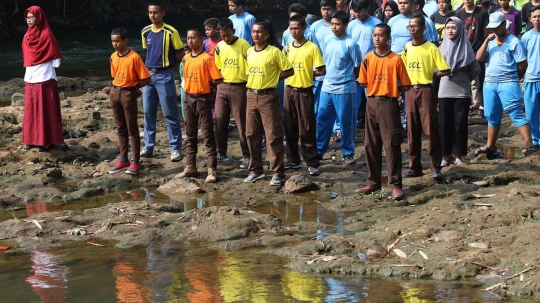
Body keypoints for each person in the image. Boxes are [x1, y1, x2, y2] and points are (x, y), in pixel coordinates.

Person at [471, 12, 538, 158]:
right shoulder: (491, 41)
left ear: (503, 25)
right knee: (492, 115)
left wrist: (514, 78)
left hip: (508, 82)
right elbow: (479, 57)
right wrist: (486, 41)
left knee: (515, 112)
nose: (493, 30)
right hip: (490, 83)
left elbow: (522, 65)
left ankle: (529, 145)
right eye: (491, 28)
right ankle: (491, 146)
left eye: (496, 27)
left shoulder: (514, 41)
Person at [357, 23, 411, 200]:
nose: (377, 38)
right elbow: (363, 82)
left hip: (388, 103)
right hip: (371, 102)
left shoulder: (395, 59)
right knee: (370, 144)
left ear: (388, 38)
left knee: (392, 144)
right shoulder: (368, 58)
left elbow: (405, 84)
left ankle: (395, 184)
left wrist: (390, 89)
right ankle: (373, 182)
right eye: (374, 35)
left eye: (380, 35)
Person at [244, 20, 294, 185]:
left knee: (272, 135)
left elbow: (289, 70)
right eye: (253, 32)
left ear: (266, 34)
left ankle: (277, 173)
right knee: (251, 134)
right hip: (251, 95)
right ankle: (256, 170)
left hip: (267, 97)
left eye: (259, 32)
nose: (256, 34)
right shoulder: (249, 52)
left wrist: (273, 79)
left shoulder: (274, 52)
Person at [401, 14, 450, 179]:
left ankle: (435, 167)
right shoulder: (406, 48)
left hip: (426, 90)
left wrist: (430, 75)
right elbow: (402, 70)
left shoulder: (431, 48)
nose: (412, 30)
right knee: (411, 129)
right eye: (410, 27)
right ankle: (414, 167)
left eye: (415, 26)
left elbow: (445, 69)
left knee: (430, 129)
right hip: (409, 91)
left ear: (423, 28)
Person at [175, 28, 223, 183]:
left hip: (202, 99)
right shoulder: (186, 58)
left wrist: (207, 85)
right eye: (188, 38)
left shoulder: (207, 58)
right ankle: (191, 167)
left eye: (193, 38)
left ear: (201, 39)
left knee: (207, 134)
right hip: (188, 98)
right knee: (190, 135)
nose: (190, 41)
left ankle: (211, 170)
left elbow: (218, 79)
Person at [316, 10, 362, 164]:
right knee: (323, 119)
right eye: (332, 24)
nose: (334, 27)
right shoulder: (328, 40)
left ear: (345, 25)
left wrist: (349, 82)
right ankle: (319, 151)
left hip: (344, 89)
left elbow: (358, 67)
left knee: (345, 121)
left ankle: (348, 153)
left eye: (337, 24)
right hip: (327, 87)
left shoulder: (350, 44)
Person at [140, 1, 184, 161]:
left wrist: (171, 68)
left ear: (163, 13)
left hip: (165, 74)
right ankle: (148, 146)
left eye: (156, 12)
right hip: (148, 75)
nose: (153, 15)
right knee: (148, 111)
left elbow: (180, 52)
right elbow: (147, 51)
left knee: (170, 112)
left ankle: (175, 148)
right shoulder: (145, 31)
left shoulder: (171, 31)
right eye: (150, 12)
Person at [283, 15, 326, 175]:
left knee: (306, 127)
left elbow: (322, 70)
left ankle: (312, 162)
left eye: (296, 28)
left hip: (305, 91)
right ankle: (293, 159)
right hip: (289, 90)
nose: (293, 31)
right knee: (289, 126)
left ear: (303, 29)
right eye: (291, 28)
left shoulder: (312, 48)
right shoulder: (287, 48)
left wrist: (308, 74)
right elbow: (282, 68)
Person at [108, 28, 151, 175]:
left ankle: (136, 162)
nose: (114, 44)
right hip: (115, 91)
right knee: (120, 128)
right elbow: (114, 75)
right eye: (113, 41)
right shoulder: (113, 56)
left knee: (132, 128)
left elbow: (146, 78)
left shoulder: (134, 57)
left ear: (125, 41)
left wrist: (134, 88)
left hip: (128, 93)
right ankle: (123, 159)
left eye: (117, 41)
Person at [438, 17, 480, 166]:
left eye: (453, 28)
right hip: (444, 91)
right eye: (447, 28)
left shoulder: (466, 47)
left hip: (461, 91)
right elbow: (434, 69)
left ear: (460, 29)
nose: (450, 30)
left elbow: (476, 69)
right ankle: (446, 155)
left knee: (460, 123)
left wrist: (464, 79)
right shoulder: (440, 48)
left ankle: (458, 156)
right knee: (444, 124)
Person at [21, 6, 64, 152]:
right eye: (27, 17)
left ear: (39, 18)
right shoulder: (27, 36)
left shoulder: (47, 35)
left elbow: (56, 59)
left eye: (32, 17)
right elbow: (27, 56)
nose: (29, 20)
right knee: (31, 110)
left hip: (45, 77)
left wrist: (47, 67)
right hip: (31, 76)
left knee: (44, 109)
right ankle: (31, 139)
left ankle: (46, 141)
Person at [214, 18, 251, 169]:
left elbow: (250, 64)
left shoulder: (244, 45)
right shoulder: (219, 46)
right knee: (219, 120)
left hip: (240, 87)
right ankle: (221, 153)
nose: (225, 39)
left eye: (227, 35)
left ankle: (247, 156)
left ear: (233, 32)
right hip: (223, 86)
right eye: (222, 36)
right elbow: (218, 67)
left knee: (241, 123)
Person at [348, 0, 382, 130]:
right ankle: (352, 126)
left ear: (367, 8)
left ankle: (376, 125)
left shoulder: (376, 24)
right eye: (355, 11)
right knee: (354, 100)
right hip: (354, 68)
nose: (357, 14)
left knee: (372, 98)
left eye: (360, 11)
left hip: (372, 68)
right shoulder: (351, 25)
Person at [457, 0, 489, 117]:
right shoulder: (459, 14)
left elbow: (485, 33)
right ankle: (467, 104)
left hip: (478, 50)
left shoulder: (482, 13)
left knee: (480, 79)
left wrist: (483, 49)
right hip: (463, 52)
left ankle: (482, 106)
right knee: (465, 79)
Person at [311, 0, 337, 118]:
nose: (325, 12)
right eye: (323, 9)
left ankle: (337, 127)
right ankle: (316, 123)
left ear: (334, 9)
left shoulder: (337, 26)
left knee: (334, 99)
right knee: (316, 100)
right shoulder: (314, 26)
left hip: (334, 69)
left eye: (328, 9)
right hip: (318, 68)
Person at [522, 6, 540, 147]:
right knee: (531, 112)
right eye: (535, 17)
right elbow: (522, 59)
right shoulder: (526, 37)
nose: (537, 19)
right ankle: (534, 140)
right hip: (531, 79)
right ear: (530, 19)